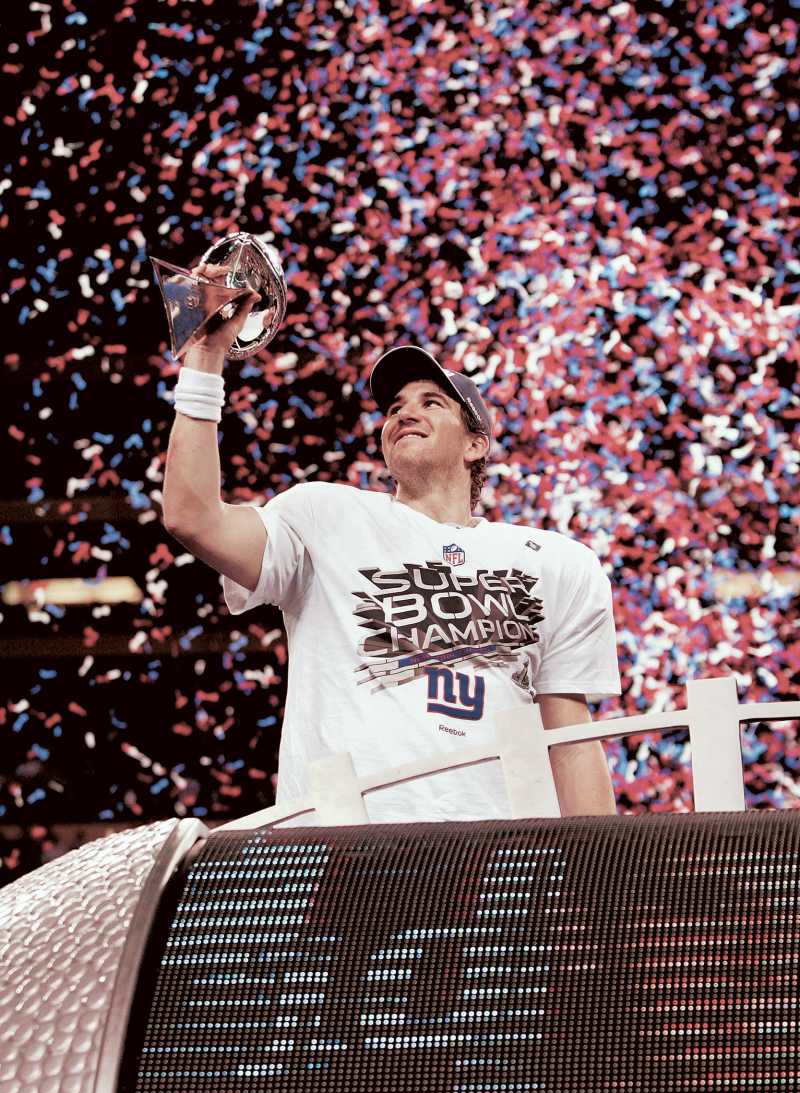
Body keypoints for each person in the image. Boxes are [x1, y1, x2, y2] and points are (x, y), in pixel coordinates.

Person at [162, 268, 621, 822]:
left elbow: (570, 737)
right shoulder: (324, 515)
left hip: (501, 864)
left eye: (432, 402)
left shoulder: (560, 563)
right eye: (394, 406)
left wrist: (601, 884)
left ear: (477, 444)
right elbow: (192, 517)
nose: (404, 411)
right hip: (344, 859)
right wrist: (206, 359)